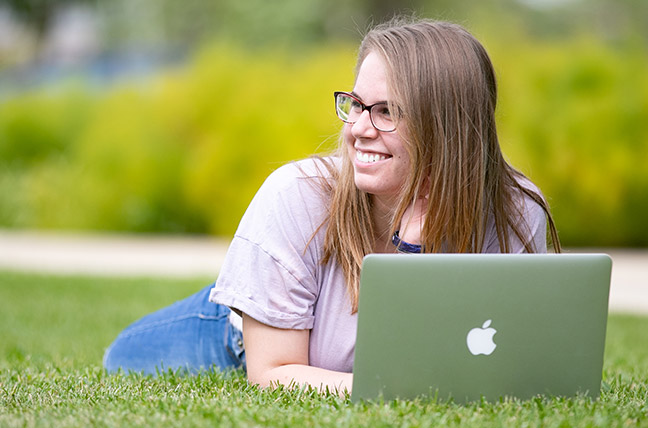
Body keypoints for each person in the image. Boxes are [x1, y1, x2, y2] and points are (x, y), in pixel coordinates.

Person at [103, 17, 561, 394]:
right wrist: (404, 387)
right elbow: (274, 372)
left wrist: (415, 253)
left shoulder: (517, 211)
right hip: (241, 335)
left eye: (386, 111)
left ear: (447, 127)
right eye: (356, 104)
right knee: (121, 357)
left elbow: (514, 360)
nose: (359, 128)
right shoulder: (296, 195)